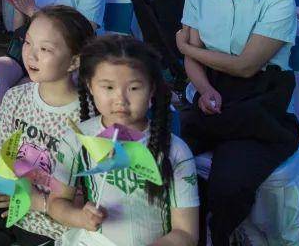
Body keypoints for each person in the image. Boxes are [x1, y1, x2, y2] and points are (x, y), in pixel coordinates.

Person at [175, 0, 299, 246]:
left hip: (258, 96)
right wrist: (204, 89)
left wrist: (186, 47)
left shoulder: (277, 3)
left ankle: (219, 234)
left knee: (229, 182)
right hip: (210, 88)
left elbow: (245, 66)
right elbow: (195, 59)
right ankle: (182, 231)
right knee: (164, 153)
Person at [52, 35, 199, 246]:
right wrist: (79, 218)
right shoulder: (77, 141)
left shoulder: (176, 151)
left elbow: (186, 232)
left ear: (152, 90)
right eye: (108, 87)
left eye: (134, 88)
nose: (120, 99)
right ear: (90, 86)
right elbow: (57, 202)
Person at [0, 7, 95, 245]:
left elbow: (91, 197)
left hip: (58, 232)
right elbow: (3, 161)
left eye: (45, 49)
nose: (31, 55)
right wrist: (3, 190)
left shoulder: (90, 118)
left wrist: (40, 202)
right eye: (27, 43)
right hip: (10, 218)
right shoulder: (15, 98)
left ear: (74, 61)